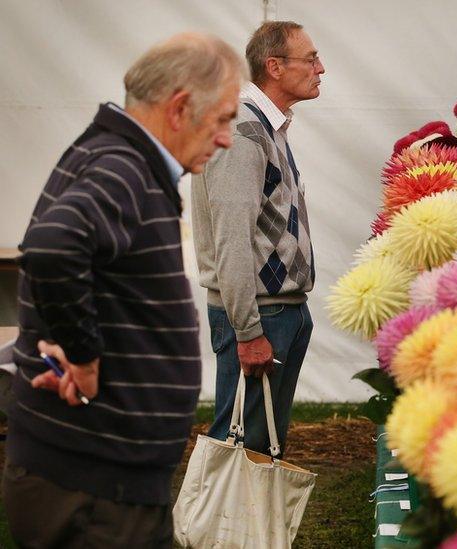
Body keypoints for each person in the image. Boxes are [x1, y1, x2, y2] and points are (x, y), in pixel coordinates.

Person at [2, 33, 243, 548]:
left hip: (100, 481)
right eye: (223, 118)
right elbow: (53, 246)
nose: (227, 137)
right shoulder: (122, 166)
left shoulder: (120, 158)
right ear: (179, 108)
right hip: (94, 489)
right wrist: (85, 360)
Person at [191, 21, 322, 457]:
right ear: (275, 67)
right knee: (239, 448)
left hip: (282, 311)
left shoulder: (267, 127)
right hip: (259, 317)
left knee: (261, 447)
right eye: (310, 59)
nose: (320, 68)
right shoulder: (244, 132)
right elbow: (231, 239)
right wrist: (248, 332)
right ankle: (211, 527)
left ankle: (246, 527)